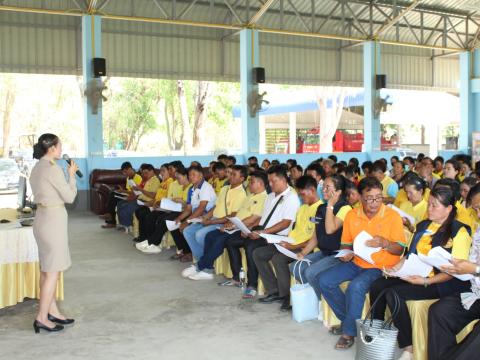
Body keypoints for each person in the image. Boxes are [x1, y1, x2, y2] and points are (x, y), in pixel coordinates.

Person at [369, 186, 472, 360]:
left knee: (395, 294)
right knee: (378, 285)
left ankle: (408, 347)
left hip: (442, 281)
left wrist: (425, 281)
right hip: (416, 272)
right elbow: (410, 254)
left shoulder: (459, 231)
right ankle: (376, 332)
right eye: (429, 204)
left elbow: (456, 270)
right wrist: (397, 268)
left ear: (448, 209)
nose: (429, 209)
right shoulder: (423, 225)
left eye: (434, 205)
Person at [318, 177, 406, 350]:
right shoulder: (352, 214)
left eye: (379, 197)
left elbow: (400, 249)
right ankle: (349, 320)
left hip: (380, 266)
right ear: (360, 197)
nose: (374, 203)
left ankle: (349, 333)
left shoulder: (392, 215)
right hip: (357, 261)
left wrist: (385, 243)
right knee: (324, 281)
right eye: (369, 198)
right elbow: (345, 243)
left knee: (356, 287)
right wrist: (346, 253)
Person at [225, 165, 300, 300]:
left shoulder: (291, 197)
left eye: (273, 181)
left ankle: (252, 285)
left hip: (277, 236)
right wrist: (249, 229)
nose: (270, 184)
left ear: (283, 180)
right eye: (269, 181)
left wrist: (261, 233)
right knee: (234, 241)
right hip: (265, 231)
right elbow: (264, 219)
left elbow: (285, 223)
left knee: (251, 246)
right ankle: (241, 279)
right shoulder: (270, 196)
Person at [30, 133, 78, 333]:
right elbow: (69, 197)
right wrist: (72, 175)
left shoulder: (37, 167)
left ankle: (52, 311)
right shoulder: (54, 170)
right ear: (51, 149)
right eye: (59, 146)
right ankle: (42, 317)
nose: (61, 150)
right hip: (53, 223)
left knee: (47, 269)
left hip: (42, 219)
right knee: (52, 271)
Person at [254, 175, 323, 311]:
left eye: (302, 194)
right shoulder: (303, 208)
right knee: (258, 253)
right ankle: (274, 290)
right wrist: (281, 240)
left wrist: (293, 246)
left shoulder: (320, 209)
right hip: (289, 243)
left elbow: (315, 239)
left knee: (278, 259)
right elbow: (295, 231)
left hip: (304, 248)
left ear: (312, 190)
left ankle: (286, 296)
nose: (301, 197)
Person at [427, 184, 480, 360]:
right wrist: (461, 266)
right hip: (476, 293)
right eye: (475, 209)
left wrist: (474, 269)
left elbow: (475, 267)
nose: (478, 215)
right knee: (439, 311)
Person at [188, 170, 268, 281]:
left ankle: (200, 266)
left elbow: (252, 219)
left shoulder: (263, 198)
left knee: (221, 240)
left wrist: (233, 226)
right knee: (210, 236)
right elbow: (239, 213)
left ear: (260, 184)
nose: (249, 184)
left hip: (243, 228)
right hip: (235, 224)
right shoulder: (250, 195)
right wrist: (229, 223)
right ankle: (208, 269)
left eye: (252, 182)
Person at [289, 175, 352, 299]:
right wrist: (304, 252)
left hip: (338, 255)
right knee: (295, 267)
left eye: (327, 188)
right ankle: (311, 299)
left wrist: (330, 205)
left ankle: (321, 301)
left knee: (311, 272)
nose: (323, 191)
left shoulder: (346, 209)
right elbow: (316, 235)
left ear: (338, 191)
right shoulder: (321, 208)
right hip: (324, 252)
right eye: (323, 187)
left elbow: (330, 229)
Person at [181, 165, 247, 277]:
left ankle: (206, 267)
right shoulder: (225, 188)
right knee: (188, 231)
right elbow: (216, 206)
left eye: (233, 174)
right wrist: (206, 217)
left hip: (222, 222)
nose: (229, 176)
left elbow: (232, 216)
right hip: (213, 219)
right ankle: (202, 262)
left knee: (200, 234)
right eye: (229, 173)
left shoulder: (241, 193)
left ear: (242, 178)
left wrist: (210, 222)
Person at [135, 166, 191, 254]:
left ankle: (152, 242)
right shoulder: (182, 186)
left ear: (185, 176)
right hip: (176, 209)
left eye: (178, 178)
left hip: (185, 212)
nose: (177, 180)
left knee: (166, 220)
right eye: (176, 178)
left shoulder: (190, 188)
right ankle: (152, 242)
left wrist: (181, 202)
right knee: (159, 217)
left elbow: (188, 206)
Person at [170, 165, 217, 263]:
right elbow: (188, 209)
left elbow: (201, 208)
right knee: (182, 228)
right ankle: (199, 259)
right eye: (189, 175)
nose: (191, 177)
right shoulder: (191, 189)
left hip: (209, 218)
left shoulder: (205, 187)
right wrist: (179, 218)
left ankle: (202, 259)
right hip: (198, 218)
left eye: (193, 174)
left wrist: (187, 221)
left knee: (189, 231)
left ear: (200, 176)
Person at [117, 164, 160, 230]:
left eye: (146, 173)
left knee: (127, 207)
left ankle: (128, 225)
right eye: (142, 173)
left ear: (152, 171)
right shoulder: (146, 180)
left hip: (146, 202)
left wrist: (140, 189)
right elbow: (139, 192)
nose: (144, 175)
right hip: (139, 199)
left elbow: (153, 195)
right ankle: (124, 224)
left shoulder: (155, 181)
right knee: (121, 204)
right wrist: (136, 190)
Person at [101, 162, 143, 229]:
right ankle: (110, 217)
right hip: (127, 195)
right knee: (113, 193)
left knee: (114, 198)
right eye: (123, 172)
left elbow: (136, 192)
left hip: (134, 197)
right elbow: (128, 190)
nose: (125, 174)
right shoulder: (128, 178)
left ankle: (110, 219)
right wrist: (122, 191)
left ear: (130, 169)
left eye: (125, 172)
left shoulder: (138, 178)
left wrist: (122, 191)